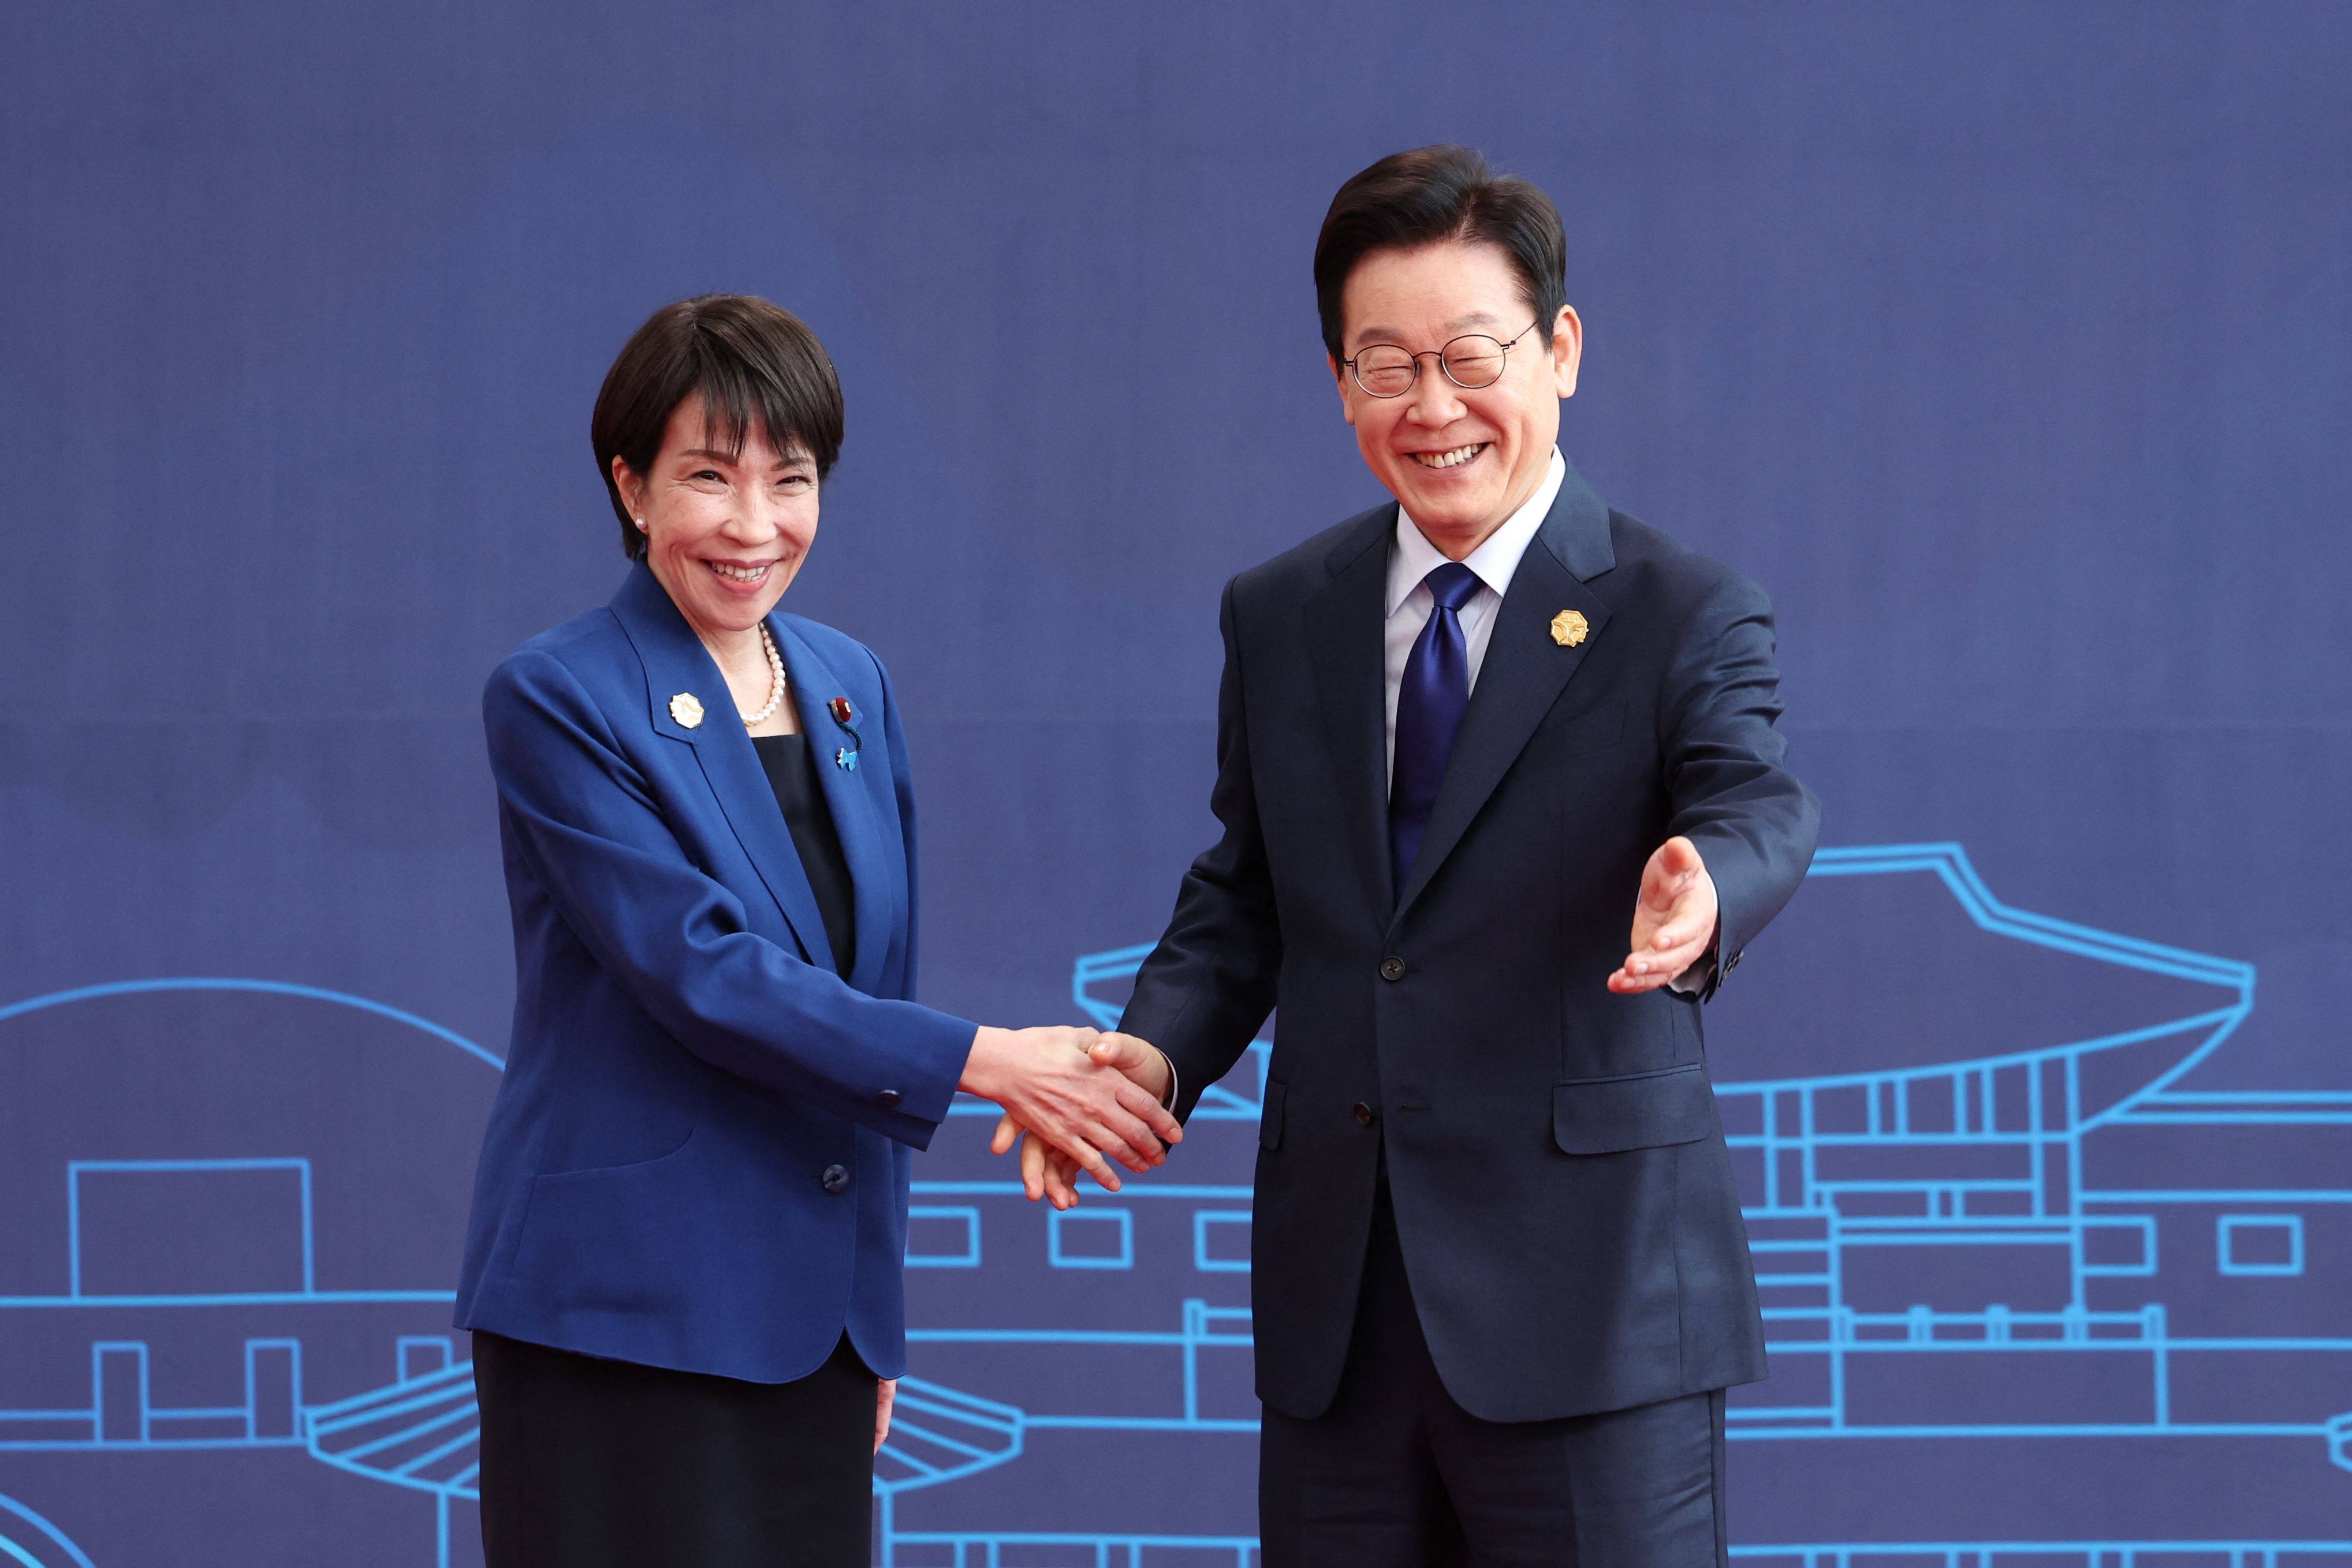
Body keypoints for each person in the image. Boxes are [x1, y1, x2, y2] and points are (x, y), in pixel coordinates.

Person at [1001, 148, 1820, 1564]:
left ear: (1560, 351)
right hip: (1344, 1316)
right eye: (1386, 365)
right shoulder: (1283, 611)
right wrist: (1154, 1054)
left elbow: (1756, 803)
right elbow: (1248, 895)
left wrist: (1707, 885)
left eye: (1469, 355)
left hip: (1592, 1312)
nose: (1432, 407)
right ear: (1339, 381)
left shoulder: (1679, 607)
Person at [454, 294, 1181, 1568]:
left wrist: (873, 1319)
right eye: (707, 477)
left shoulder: (851, 681)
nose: (754, 525)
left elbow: (871, 979)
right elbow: (704, 972)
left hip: (812, 1329)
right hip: (622, 1318)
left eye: (789, 479)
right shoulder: (559, 694)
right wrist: (991, 1061)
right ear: (630, 488)